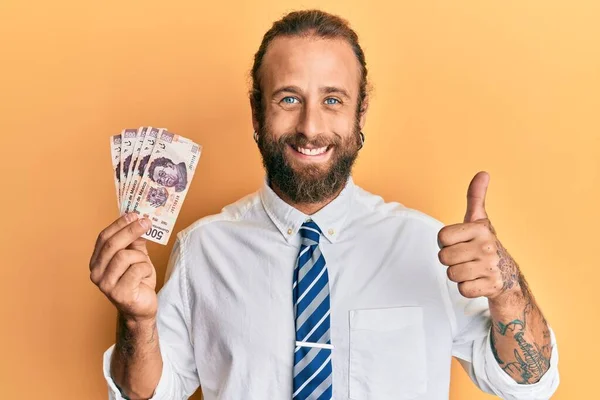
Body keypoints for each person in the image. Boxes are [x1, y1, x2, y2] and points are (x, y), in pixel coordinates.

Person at [89, 9, 559, 400]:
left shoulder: (427, 247)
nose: (311, 127)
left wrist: (506, 288)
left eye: (332, 100)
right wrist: (136, 321)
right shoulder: (203, 250)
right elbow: (146, 394)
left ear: (359, 114)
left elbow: (529, 385)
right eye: (289, 98)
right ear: (257, 113)